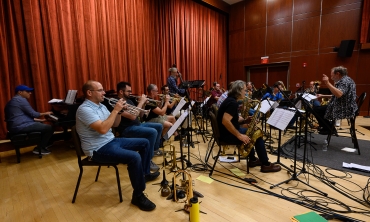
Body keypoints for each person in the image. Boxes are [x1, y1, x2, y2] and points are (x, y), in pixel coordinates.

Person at [76, 80, 158, 211]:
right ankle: (138, 195)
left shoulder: (101, 106)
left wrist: (119, 113)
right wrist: (116, 110)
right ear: (89, 93)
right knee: (134, 157)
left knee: (145, 142)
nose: (104, 92)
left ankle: (144, 174)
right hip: (97, 149)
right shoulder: (84, 109)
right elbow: (103, 129)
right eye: (100, 90)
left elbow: (114, 124)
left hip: (110, 141)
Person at [217, 80, 281, 173]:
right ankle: (265, 164)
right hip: (227, 136)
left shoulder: (230, 100)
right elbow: (225, 121)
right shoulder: (232, 103)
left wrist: (245, 120)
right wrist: (239, 135)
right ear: (238, 91)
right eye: (244, 90)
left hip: (225, 133)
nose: (245, 92)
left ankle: (253, 160)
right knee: (257, 134)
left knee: (252, 131)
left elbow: (232, 119)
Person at [115, 82, 163, 168]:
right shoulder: (117, 103)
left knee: (159, 126)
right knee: (152, 132)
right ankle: (148, 159)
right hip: (127, 129)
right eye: (128, 91)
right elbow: (133, 117)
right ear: (121, 92)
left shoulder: (129, 100)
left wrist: (143, 105)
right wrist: (141, 102)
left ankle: (154, 150)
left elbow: (140, 116)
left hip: (138, 125)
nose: (130, 93)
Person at [4, 85, 54, 155]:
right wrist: (46, 113)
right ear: (20, 92)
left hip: (15, 126)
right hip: (20, 126)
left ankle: (45, 144)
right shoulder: (20, 100)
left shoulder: (14, 100)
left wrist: (41, 121)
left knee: (43, 125)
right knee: (49, 128)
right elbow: (34, 114)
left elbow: (25, 117)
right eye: (27, 91)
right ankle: (40, 148)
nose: (30, 93)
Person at [314, 66, 357, 135]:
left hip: (345, 109)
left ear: (337, 74)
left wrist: (327, 83)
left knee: (316, 110)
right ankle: (329, 127)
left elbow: (339, 94)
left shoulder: (344, 81)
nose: (331, 77)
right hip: (345, 106)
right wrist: (323, 96)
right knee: (319, 109)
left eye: (332, 75)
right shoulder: (346, 80)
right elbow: (340, 95)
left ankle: (328, 129)